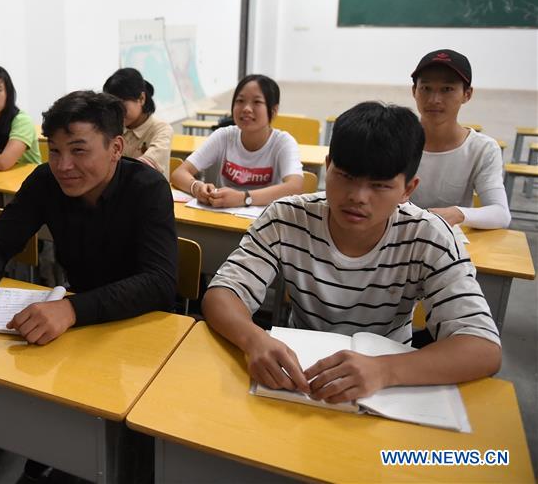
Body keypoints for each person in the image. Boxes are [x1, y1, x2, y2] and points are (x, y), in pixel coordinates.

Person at [203, 102, 501, 404]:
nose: (357, 197)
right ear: (328, 165)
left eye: (379, 186)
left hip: (392, 383)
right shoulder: (286, 217)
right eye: (345, 177)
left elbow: (482, 348)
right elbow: (223, 293)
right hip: (298, 374)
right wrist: (254, 339)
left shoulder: (429, 236)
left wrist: (384, 371)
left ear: (408, 189)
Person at [0, 90, 177, 345]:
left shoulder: (147, 188)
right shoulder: (46, 181)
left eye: (78, 150)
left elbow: (159, 283)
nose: (63, 166)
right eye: (55, 151)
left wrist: (71, 309)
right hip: (73, 327)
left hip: (140, 326)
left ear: (115, 148)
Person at [408, 49, 510, 229]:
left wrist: (458, 213)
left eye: (447, 89)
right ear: (414, 91)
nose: (434, 99)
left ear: (467, 94)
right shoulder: (395, 139)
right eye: (426, 88)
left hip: (448, 243)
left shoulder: (482, 149)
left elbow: (500, 213)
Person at [171, 74, 303, 207]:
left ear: (273, 111)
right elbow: (179, 173)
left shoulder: (283, 142)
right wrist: (196, 187)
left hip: (264, 223)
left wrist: (243, 198)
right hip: (221, 219)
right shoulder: (224, 136)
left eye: (257, 102)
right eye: (240, 101)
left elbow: (295, 187)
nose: (246, 108)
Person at [102, 67, 174, 178]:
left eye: (122, 106)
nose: (117, 113)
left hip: (149, 191)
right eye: (113, 107)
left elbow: (144, 168)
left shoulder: (162, 129)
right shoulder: (113, 128)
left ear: (141, 98)